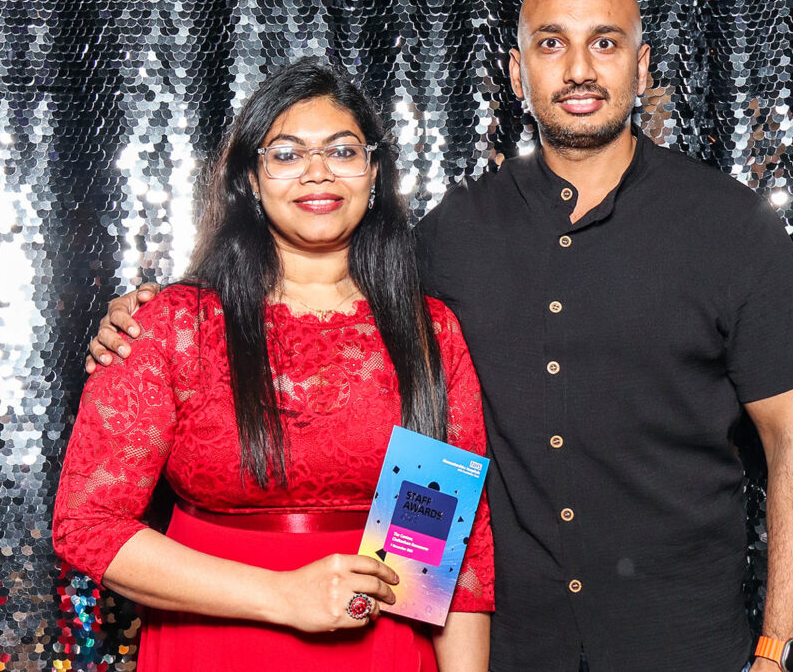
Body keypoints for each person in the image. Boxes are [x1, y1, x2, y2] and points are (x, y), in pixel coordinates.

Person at [90, 0, 793, 672]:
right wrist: (155, 317)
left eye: (605, 43)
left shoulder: (731, 227)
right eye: (552, 44)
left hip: (681, 641)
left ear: (641, 69)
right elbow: (330, 316)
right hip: (508, 645)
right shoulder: (449, 237)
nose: (579, 69)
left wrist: (783, 652)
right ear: (517, 73)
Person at [54, 59, 493, 672]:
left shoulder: (426, 332)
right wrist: (282, 595)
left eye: (343, 151)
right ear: (251, 180)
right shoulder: (174, 326)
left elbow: (449, 556)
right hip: (212, 646)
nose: (318, 171)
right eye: (286, 154)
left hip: (382, 644)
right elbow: (87, 523)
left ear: (373, 172)